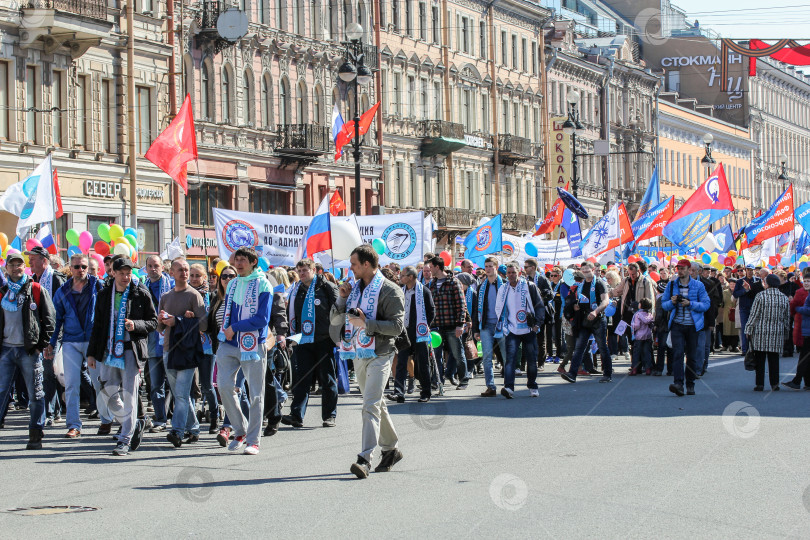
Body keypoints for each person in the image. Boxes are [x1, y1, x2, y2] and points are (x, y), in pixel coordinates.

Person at [330, 244, 405, 479]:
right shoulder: (353, 290)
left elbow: (397, 327)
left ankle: (364, 458)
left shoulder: (390, 290)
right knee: (376, 403)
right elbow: (335, 320)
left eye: (353, 264)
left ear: (366, 264)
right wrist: (342, 299)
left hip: (381, 353)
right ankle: (391, 449)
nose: (350, 268)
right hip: (358, 352)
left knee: (370, 405)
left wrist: (367, 324)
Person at [87, 257, 157, 456]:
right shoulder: (103, 295)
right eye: (122, 273)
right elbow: (98, 326)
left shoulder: (140, 292)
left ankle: (125, 439)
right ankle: (133, 423)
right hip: (109, 350)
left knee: (130, 394)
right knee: (107, 392)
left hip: (131, 350)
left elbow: (152, 322)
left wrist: (136, 325)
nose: (126, 277)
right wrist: (92, 353)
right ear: (113, 273)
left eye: (129, 273)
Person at [215, 247, 272, 455]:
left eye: (243, 260)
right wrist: (225, 331)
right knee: (223, 386)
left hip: (253, 344)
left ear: (253, 262)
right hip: (228, 343)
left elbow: (262, 319)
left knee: (256, 393)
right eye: (236, 259)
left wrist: (234, 328)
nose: (238, 264)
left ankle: (253, 440)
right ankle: (240, 430)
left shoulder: (264, 284)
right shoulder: (232, 284)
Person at [0, 251, 55, 450]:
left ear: (25, 267)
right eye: (12, 265)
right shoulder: (2, 290)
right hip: (5, 350)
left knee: (35, 394)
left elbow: (50, 320)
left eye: (19, 264)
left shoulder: (36, 289)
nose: (16, 268)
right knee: (1, 391)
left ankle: (35, 432)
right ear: (6, 268)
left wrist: (40, 346)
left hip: (28, 351)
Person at [44, 253, 104, 438]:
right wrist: (51, 344)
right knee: (71, 385)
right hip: (71, 341)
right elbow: (56, 321)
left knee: (99, 382)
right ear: (70, 269)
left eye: (84, 267)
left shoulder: (97, 286)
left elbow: (106, 314)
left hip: (93, 342)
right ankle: (74, 425)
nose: (81, 270)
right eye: (77, 267)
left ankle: (107, 420)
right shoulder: (62, 291)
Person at [157, 258, 208, 448]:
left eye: (186, 270)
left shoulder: (194, 295)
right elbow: (160, 327)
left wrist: (181, 320)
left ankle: (177, 431)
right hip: (169, 349)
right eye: (180, 270)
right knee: (181, 395)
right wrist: (162, 319)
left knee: (180, 395)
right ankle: (194, 428)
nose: (184, 273)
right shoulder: (166, 296)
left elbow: (203, 324)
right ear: (172, 272)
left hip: (187, 351)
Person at [283, 258, 339, 428]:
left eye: (305, 270)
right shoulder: (295, 290)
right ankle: (296, 415)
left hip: (324, 339)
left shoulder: (326, 286)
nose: (301, 274)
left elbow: (339, 309)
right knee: (301, 380)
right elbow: (289, 314)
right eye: (299, 271)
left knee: (327, 378)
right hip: (303, 340)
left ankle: (329, 415)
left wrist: (337, 336)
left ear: (314, 270)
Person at [26, 245, 66, 425]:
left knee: (49, 372)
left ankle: (49, 412)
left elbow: (63, 307)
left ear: (44, 261)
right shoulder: (33, 280)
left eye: (33, 259)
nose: (30, 262)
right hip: (38, 333)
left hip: (54, 332)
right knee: (44, 372)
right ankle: (54, 410)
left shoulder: (56, 279)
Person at [493, 262, 545, 398]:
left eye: (513, 272)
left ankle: (533, 386)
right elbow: (498, 308)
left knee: (531, 360)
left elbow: (539, 306)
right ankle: (509, 387)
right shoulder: (503, 289)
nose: (511, 275)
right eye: (509, 273)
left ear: (519, 273)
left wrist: (537, 325)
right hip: (512, 330)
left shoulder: (529, 286)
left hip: (528, 329)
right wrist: (504, 326)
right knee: (510, 360)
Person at [661, 259, 710, 397]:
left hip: (693, 326)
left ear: (689, 270)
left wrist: (690, 303)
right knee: (677, 354)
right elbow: (664, 305)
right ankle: (678, 384)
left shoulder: (698, 285)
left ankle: (690, 384)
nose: (680, 271)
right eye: (679, 268)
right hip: (677, 325)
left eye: (683, 268)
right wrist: (672, 302)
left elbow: (706, 304)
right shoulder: (671, 285)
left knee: (692, 356)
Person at [560, 261, 613, 383]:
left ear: (593, 270)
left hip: (597, 319)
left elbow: (605, 301)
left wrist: (596, 311)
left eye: (587, 270)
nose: (585, 272)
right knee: (579, 347)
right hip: (584, 319)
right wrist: (575, 307)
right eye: (583, 271)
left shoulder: (599, 283)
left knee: (602, 347)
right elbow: (579, 300)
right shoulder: (581, 285)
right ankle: (572, 374)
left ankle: (607, 374)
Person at [389, 265, 434, 403]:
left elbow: (431, 311)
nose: (400, 277)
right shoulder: (400, 291)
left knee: (422, 362)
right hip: (404, 332)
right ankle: (399, 392)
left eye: (403, 275)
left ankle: (426, 392)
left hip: (419, 332)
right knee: (401, 362)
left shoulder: (424, 291)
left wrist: (424, 327)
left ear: (411, 277)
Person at [426, 256, 468, 389]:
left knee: (458, 354)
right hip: (435, 326)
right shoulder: (431, 284)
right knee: (436, 356)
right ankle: (438, 380)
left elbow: (461, 305)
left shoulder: (454, 282)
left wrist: (460, 324)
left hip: (451, 326)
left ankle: (463, 379)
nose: (429, 270)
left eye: (431, 267)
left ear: (437, 267)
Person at [143, 255, 174, 433]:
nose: (153, 269)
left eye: (156, 265)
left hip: (170, 341)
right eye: (150, 266)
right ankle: (160, 418)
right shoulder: (141, 287)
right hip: (152, 342)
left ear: (162, 267)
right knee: (155, 384)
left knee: (173, 383)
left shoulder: (170, 287)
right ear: (146, 268)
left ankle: (172, 416)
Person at [189, 263, 220, 434]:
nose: (194, 279)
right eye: (192, 275)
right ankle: (191, 421)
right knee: (190, 386)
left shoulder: (212, 296)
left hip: (207, 346)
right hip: (188, 346)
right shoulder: (184, 294)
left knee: (207, 385)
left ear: (204, 278)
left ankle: (214, 416)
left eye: (197, 276)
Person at [745, 274, 790, 392]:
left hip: (760, 332)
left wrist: (748, 329)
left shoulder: (760, 296)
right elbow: (786, 318)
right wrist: (786, 334)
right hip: (777, 332)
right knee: (774, 359)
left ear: (767, 284)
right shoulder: (784, 297)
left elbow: (754, 315)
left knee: (760, 359)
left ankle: (759, 384)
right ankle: (774, 384)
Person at [610, 262, 656, 374]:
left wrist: (649, 316)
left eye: (633, 274)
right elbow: (617, 291)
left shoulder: (645, 281)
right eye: (630, 274)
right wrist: (607, 294)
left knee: (644, 343)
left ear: (638, 271)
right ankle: (636, 365)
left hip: (641, 315)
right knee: (633, 341)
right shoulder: (626, 280)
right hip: (628, 315)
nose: (632, 276)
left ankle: (646, 365)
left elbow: (650, 300)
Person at [472, 256, 506, 397]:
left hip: (502, 324)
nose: (488, 269)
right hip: (486, 325)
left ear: (496, 267)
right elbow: (476, 309)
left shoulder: (504, 284)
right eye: (486, 266)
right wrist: (476, 329)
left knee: (505, 356)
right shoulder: (481, 287)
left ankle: (508, 385)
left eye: (491, 266)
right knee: (487, 357)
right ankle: (490, 386)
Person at [522, 258, 553, 367]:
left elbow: (551, 295)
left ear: (533, 267)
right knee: (526, 338)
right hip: (528, 313)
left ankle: (540, 363)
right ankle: (525, 363)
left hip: (540, 312)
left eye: (526, 267)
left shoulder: (542, 279)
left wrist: (540, 300)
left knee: (541, 339)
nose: (524, 269)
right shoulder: (524, 280)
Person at [785, 268, 810, 390]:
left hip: (807, 329)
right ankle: (806, 382)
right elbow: (793, 307)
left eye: (809, 281)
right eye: (805, 281)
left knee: (804, 356)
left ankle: (797, 381)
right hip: (803, 328)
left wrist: (799, 309)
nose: (806, 283)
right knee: (805, 356)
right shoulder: (800, 292)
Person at [733, 264, 762, 355]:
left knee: (755, 328)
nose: (750, 271)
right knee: (744, 328)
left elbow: (760, 293)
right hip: (744, 307)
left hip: (755, 308)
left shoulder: (758, 280)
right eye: (748, 270)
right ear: (746, 270)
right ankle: (745, 349)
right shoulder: (740, 281)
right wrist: (745, 290)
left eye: (751, 270)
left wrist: (751, 289)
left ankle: (755, 348)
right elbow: (735, 294)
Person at [630, 297, 655, 375]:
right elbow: (651, 325)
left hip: (639, 336)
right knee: (647, 352)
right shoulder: (650, 315)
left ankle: (634, 369)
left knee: (636, 353)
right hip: (647, 335)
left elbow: (637, 325)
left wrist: (632, 326)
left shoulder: (637, 314)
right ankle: (648, 369)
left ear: (640, 305)